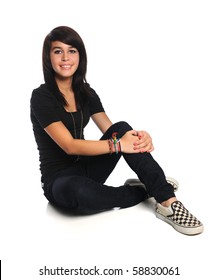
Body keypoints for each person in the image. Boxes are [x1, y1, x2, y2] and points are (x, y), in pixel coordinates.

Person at [30, 26, 203, 235]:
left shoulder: (86, 92)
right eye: (58, 51)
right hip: (60, 181)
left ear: (80, 56)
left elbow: (113, 131)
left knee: (123, 128)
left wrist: (138, 137)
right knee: (82, 193)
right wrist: (120, 143)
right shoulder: (41, 97)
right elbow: (69, 146)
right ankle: (144, 189)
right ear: (48, 57)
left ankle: (168, 202)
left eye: (72, 50)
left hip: (88, 169)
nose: (65, 57)